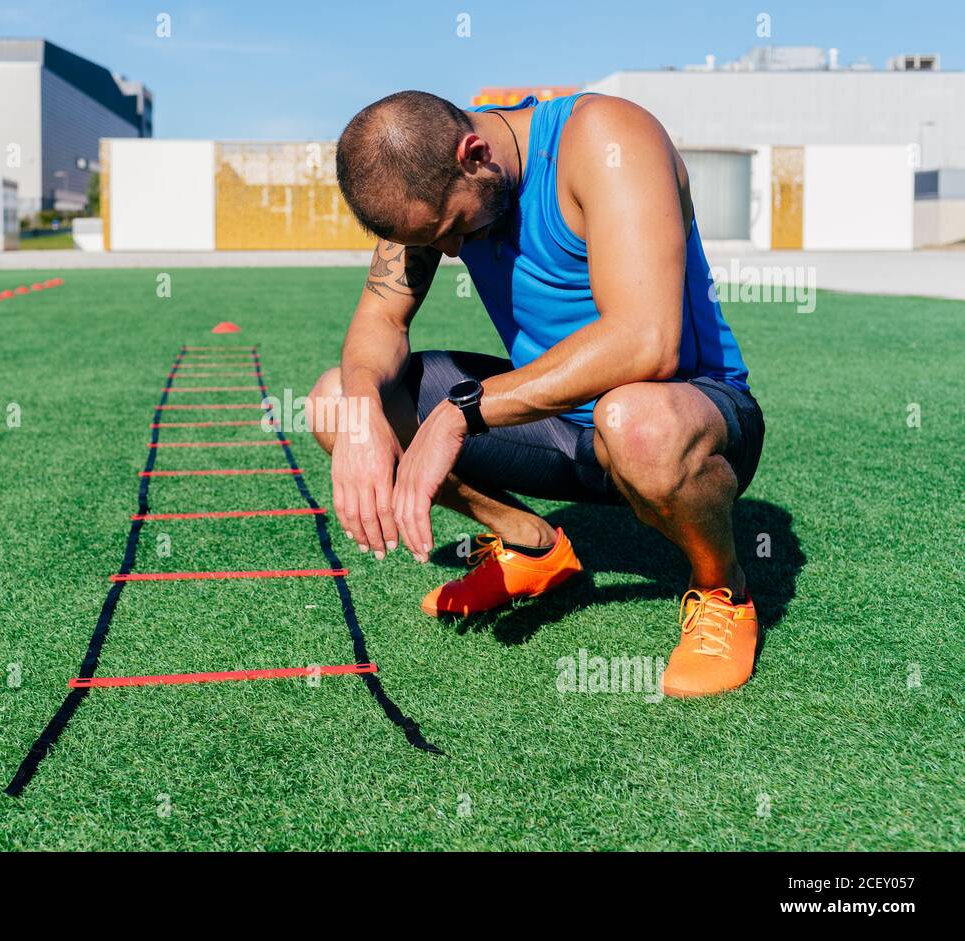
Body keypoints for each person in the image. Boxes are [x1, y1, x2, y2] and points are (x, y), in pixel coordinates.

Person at [310, 90, 765, 698]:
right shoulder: (425, 176)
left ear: (475, 155)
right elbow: (381, 323)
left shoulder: (606, 138)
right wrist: (364, 414)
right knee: (335, 398)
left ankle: (722, 590)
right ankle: (533, 548)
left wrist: (460, 414)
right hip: (556, 427)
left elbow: (647, 342)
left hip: (683, 413)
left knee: (635, 419)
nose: (447, 252)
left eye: (452, 229)